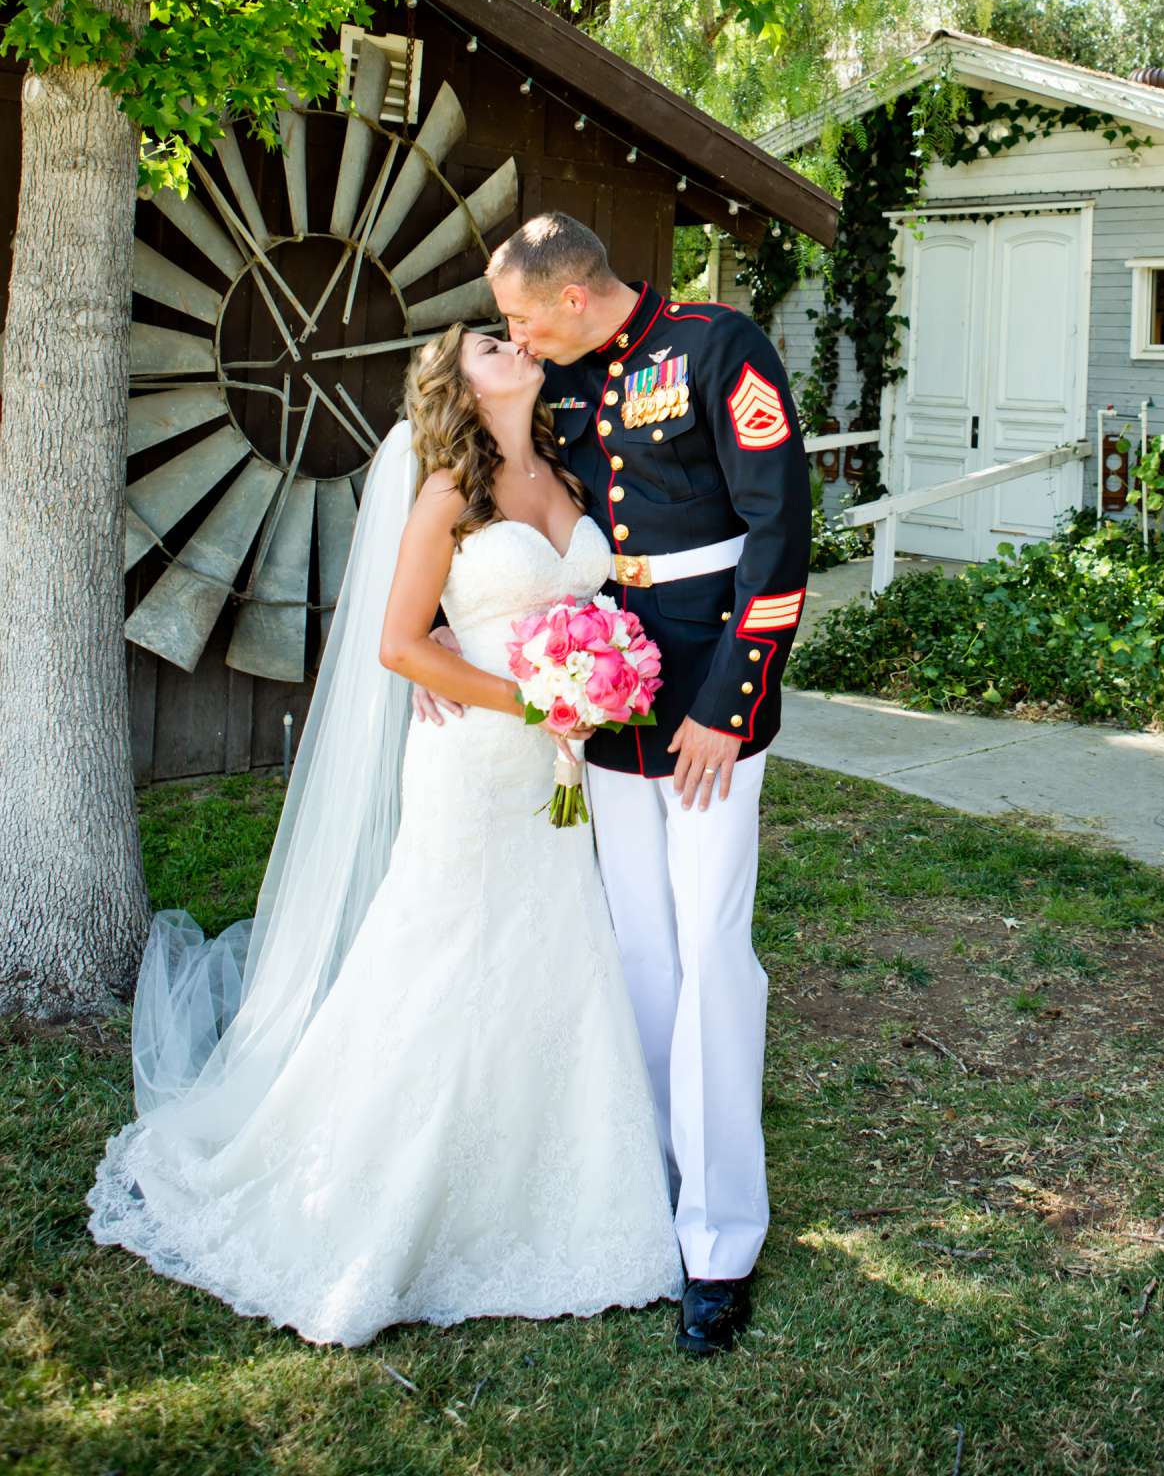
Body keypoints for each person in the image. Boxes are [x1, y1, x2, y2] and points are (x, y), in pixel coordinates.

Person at [87, 326, 682, 1349]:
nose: (513, 343)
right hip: (478, 760)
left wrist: (600, 671)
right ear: (457, 385)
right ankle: (382, 1189)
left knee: (552, 945)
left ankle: (559, 1180)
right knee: (442, 949)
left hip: (556, 765)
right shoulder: (449, 491)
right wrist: (537, 701)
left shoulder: (574, 471)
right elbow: (399, 644)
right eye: (491, 344)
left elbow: (570, 595)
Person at [416, 211, 811, 1357]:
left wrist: (728, 706)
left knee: (709, 953)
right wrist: (430, 645)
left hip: (702, 703)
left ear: (574, 297)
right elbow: (498, 500)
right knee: (637, 945)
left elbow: (778, 534)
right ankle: (652, 1176)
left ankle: (719, 1238)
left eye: (521, 315)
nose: (513, 335)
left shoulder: (716, 347)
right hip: (605, 698)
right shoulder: (562, 383)